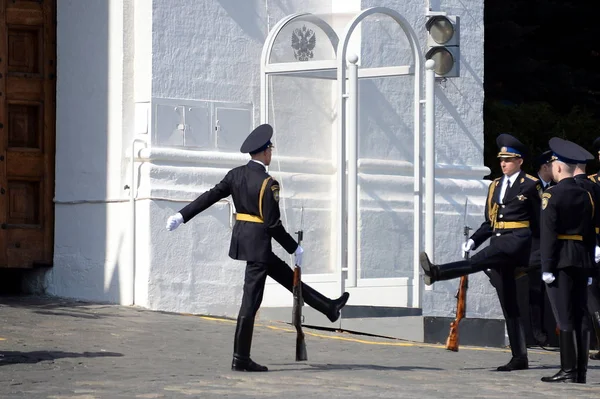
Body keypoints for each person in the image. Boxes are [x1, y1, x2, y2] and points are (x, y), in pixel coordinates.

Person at [165, 124, 350, 372]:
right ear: (265, 152)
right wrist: (294, 247)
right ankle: (241, 359)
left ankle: (328, 307)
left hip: (245, 241)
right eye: (270, 149)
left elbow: (210, 196)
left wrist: (181, 215)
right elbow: (273, 225)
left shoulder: (235, 175)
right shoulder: (268, 183)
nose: (271, 153)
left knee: (288, 278)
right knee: (250, 302)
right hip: (259, 246)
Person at [420, 133, 541, 371]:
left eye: (508, 159)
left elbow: (540, 223)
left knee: (478, 262)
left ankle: (437, 272)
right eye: (501, 160)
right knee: (509, 303)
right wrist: (474, 240)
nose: (504, 163)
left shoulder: (531, 184)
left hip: (518, 242)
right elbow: (491, 221)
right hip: (499, 240)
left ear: (520, 161)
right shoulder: (495, 185)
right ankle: (520, 357)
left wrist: (538, 255)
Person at [540, 137, 596, 383]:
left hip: (561, 260)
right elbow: (591, 230)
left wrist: (546, 267)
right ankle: (580, 371)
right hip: (582, 258)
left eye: (553, 164)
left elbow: (549, 234)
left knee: (564, 315)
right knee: (581, 314)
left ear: (559, 167)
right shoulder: (587, 195)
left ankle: (567, 369)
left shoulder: (551, 195)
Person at [525, 149, 555, 346]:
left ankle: (551, 331)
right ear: (545, 166)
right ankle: (536, 331)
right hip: (532, 246)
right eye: (553, 164)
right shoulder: (529, 188)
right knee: (535, 291)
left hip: (551, 245)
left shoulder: (556, 187)